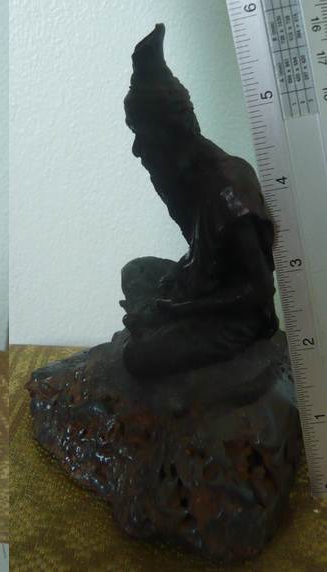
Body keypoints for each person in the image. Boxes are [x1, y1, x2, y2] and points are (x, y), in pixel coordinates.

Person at [120, 24, 278, 377]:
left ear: (172, 132)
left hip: (237, 317)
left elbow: (258, 290)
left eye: (143, 136)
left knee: (138, 357)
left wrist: (177, 310)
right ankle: (158, 322)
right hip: (202, 288)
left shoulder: (227, 191)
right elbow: (203, 255)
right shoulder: (186, 178)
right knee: (136, 271)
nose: (137, 150)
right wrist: (176, 283)